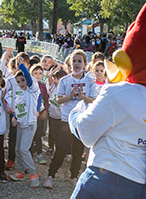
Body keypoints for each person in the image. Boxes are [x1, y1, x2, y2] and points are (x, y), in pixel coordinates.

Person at [43, 49, 97, 189]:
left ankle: (74, 177)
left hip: (82, 120)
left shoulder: (90, 81)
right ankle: (50, 175)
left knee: (78, 151)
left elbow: (94, 100)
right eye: (74, 61)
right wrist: (70, 96)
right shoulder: (65, 80)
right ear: (70, 64)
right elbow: (59, 100)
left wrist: (83, 98)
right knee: (61, 148)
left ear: (85, 64)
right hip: (67, 119)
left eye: (80, 61)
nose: (77, 63)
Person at [8, 57, 41, 188]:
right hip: (21, 126)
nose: (21, 83)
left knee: (23, 149)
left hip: (30, 124)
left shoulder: (32, 90)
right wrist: (14, 118)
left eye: (23, 80)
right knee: (18, 149)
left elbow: (27, 76)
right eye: (18, 81)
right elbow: (18, 111)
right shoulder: (19, 95)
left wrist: (21, 65)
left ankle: (33, 174)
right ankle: (21, 172)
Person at [4, 52, 30, 170]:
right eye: (15, 66)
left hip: (27, 114)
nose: (17, 69)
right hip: (15, 113)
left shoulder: (30, 80)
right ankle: (11, 159)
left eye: (20, 66)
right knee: (13, 137)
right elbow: (5, 93)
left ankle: (24, 161)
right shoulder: (10, 80)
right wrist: (10, 106)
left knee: (25, 138)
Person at [29, 64, 49, 165]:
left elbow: (46, 99)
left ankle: (39, 154)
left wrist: (45, 110)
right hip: (30, 115)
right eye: (35, 73)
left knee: (38, 135)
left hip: (40, 115)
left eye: (40, 73)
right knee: (30, 135)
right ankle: (30, 154)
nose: (38, 75)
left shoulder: (43, 86)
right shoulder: (28, 85)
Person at [47, 68, 68, 156]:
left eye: (58, 78)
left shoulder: (65, 90)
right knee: (51, 133)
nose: (55, 80)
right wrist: (56, 68)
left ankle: (60, 151)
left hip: (60, 117)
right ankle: (51, 147)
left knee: (59, 136)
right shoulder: (53, 86)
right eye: (55, 78)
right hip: (52, 114)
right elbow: (49, 77)